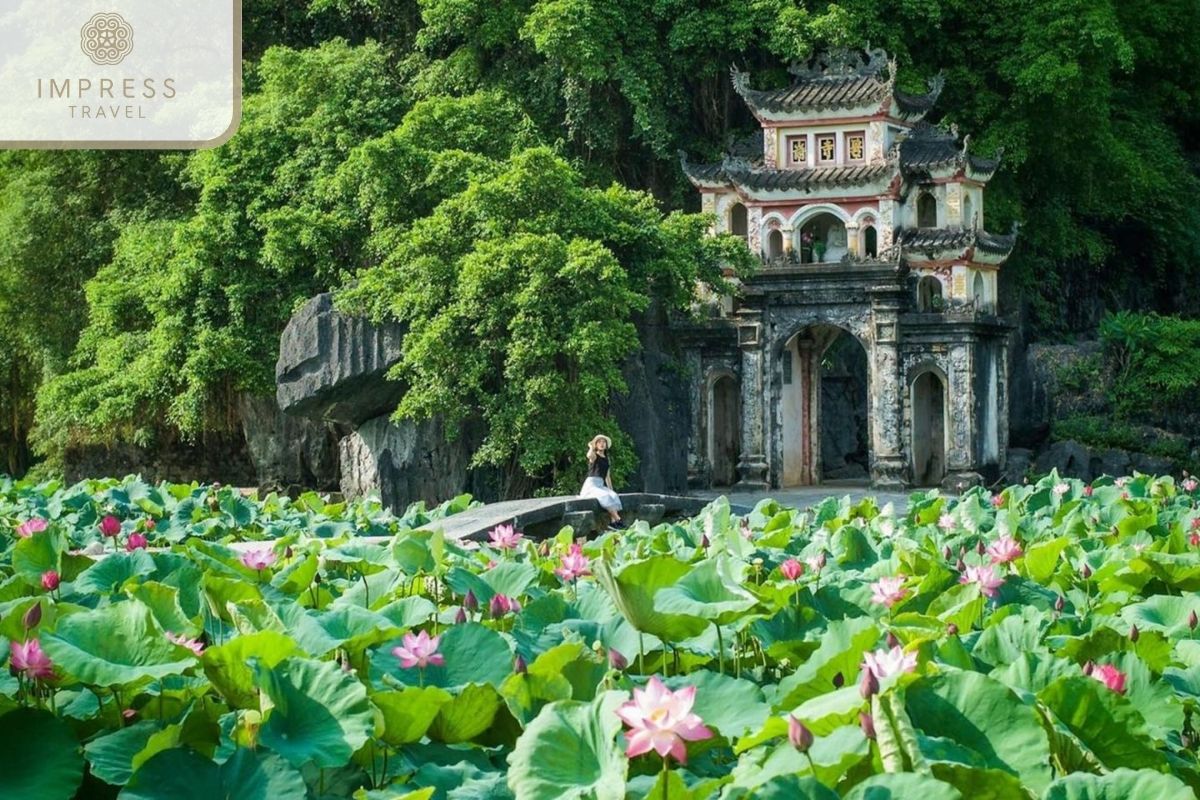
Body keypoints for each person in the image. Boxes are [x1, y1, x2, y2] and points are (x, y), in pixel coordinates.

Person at [581, 434, 623, 528]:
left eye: (604, 442)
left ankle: (613, 522)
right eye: (599, 442)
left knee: (613, 496)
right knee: (605, 496)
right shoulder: (594, 456)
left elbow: (607, 476)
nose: (602, 444)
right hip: (591, 484)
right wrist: (591, 447)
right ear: (596, 444)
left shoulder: (607, 459)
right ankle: (618, 519)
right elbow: (589, 455)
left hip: (600, 484)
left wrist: (611, 489)